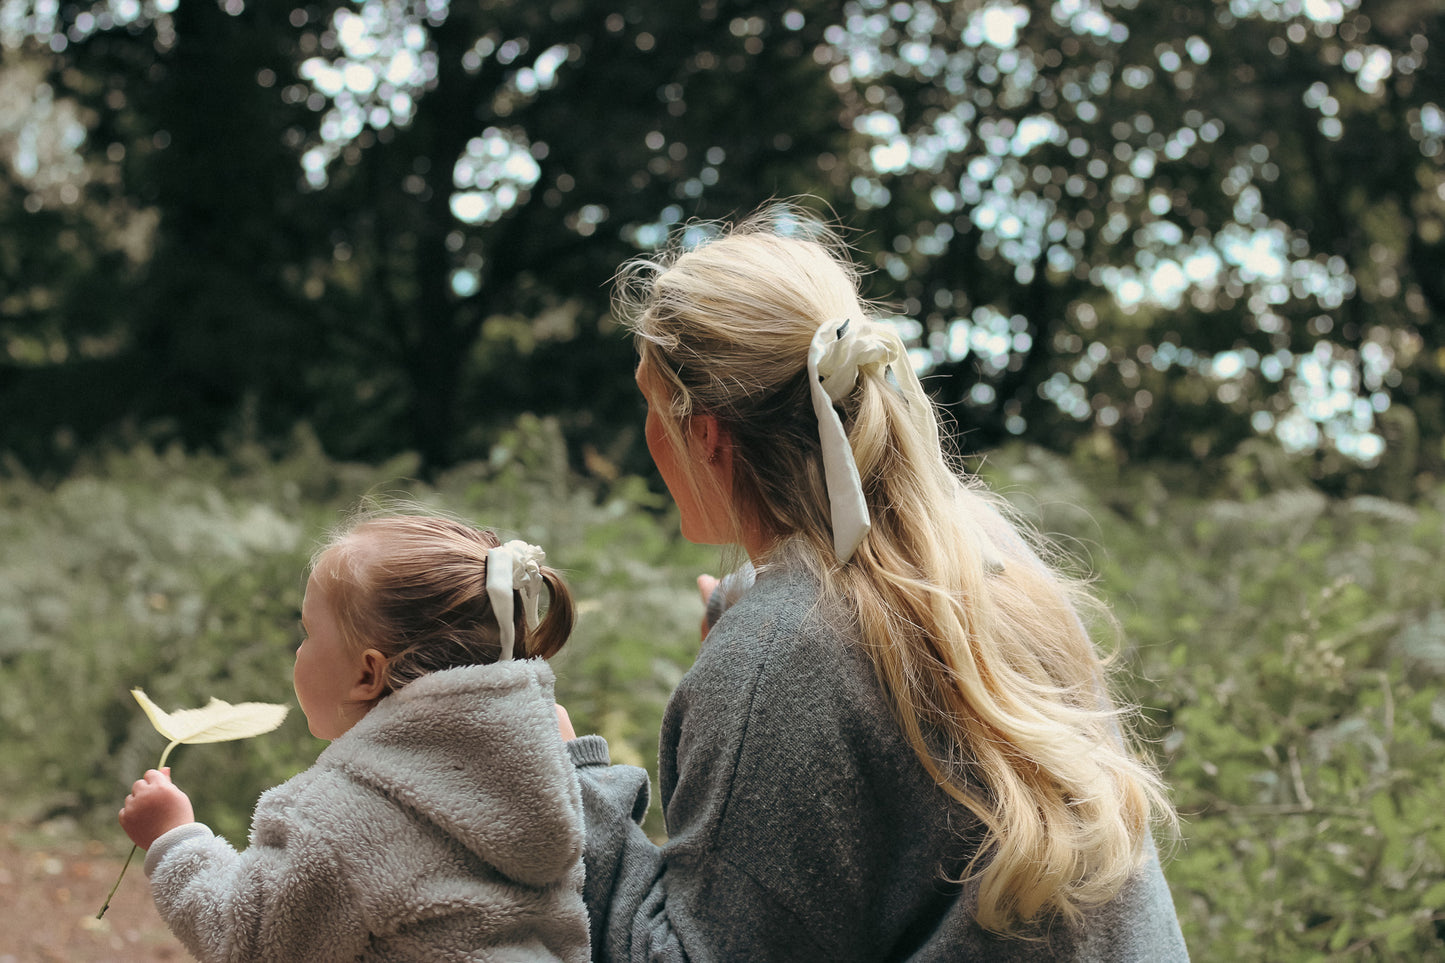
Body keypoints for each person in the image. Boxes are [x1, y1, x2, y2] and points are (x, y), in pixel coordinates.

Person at [563, 205, 1189, 961]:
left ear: (705, 434)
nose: (645, 434)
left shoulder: (779, 654)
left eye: (649, 402)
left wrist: (578, 791)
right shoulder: (991, 560)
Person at [118, 511, 590, 963]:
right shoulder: (541, 781)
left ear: (367, 675)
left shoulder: (343, 820)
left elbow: (245, 938)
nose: (298, 651)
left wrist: (174, 840)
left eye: (306, 633)